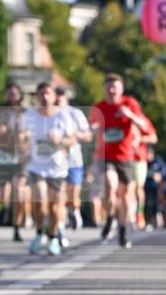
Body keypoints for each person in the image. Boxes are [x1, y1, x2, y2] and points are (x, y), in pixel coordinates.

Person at [89, 73, 150, 250]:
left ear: (121, 89)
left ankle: (123, 229)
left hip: (126, 157)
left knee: (125, 197)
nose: (112, 89)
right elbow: (90, 129)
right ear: (104, 89)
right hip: (106, 156)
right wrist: (94, 129)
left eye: (115, 86)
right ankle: (109, 218)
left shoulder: (130, 104)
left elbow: (145, 126)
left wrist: (130, 115)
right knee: (110, 185)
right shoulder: (99, 107)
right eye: (109, 86)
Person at [21, 82, 76, 257]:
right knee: (40, 202)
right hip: (37, 167)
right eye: (41, 93)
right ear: (36, 96)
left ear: (54, 96)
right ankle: (39, 234)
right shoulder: (29, 115)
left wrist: (60, 140)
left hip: (57, 169)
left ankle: (52, 238)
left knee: (54, 208)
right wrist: (23, 141)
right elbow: (20, 137)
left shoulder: (62, 116)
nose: (45, 97)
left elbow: (72, 139)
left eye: (48, 93)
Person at [0, 81, 27, 241]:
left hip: (20, 157)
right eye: (9, 93)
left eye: (15, 93)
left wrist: (26, 136)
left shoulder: (26, 112)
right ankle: (3, 209)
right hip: (2, 156)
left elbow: (34, 131)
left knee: (18, 191)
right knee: (4, 194)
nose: (12, 96)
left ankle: (16, 227)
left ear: (20, 95)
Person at [55, 87, 92, 232]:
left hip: (74, 160)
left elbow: (88, 136)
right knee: (61, 193)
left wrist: (73, 136)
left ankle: (74, 211)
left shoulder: (75, 113)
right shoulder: (48, 114)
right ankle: (61, 223)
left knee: (74, 194)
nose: (58, 99)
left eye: (61, 96)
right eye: (56, 96)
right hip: (56, 162)